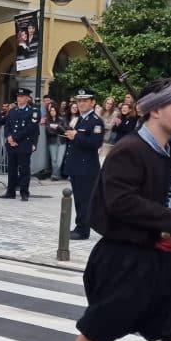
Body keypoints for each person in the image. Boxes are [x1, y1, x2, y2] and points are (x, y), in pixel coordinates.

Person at [52, 79, 171, 341]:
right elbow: (120, 201)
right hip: (126, 257)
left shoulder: (166, 150)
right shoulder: (129, 150)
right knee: (102, 324)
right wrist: (169, 221)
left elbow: (167, 193)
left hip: (165, 259)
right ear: (156, 110)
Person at [63, 90, 104, 241]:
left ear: (93, 102)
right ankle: (80, 226)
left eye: (85, 100)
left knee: (84, 199)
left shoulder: (95, 121)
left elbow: (96, 143)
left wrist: (77, 136)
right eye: (79, 101)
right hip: (77, 165)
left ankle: (83, 229)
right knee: (79, 199)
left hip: (87, 167)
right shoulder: (80, 119)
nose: (81, 103)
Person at [0, 88, 39, 201]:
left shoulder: (32, 112)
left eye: (22, 96)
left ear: (27, 98)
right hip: (12, 144)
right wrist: (8, 137)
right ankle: (10, 191)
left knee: (24, 169)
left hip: (24, 144)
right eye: (18, 96)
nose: (19, 99)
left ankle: (24, 192)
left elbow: (30, 128)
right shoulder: (12, 111)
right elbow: (7, 125)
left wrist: (15, 137)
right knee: (11, 169)